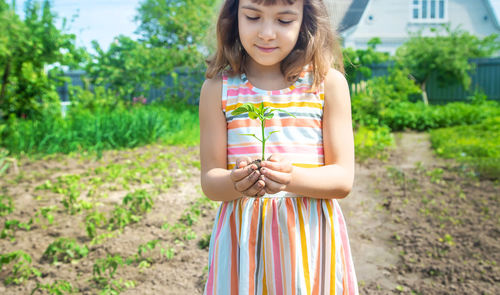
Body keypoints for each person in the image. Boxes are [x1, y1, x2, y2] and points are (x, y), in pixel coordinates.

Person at [199, 0, 358, 293]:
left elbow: (342, 180)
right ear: (234, 17)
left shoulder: (327, 84)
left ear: (305, 21)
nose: (267, 33)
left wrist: (291, 178)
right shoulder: (218, 89)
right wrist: (237, 183)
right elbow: (211, 182)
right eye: (253, 17)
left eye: (284, 20)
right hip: (243, 244)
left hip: (308, 243)